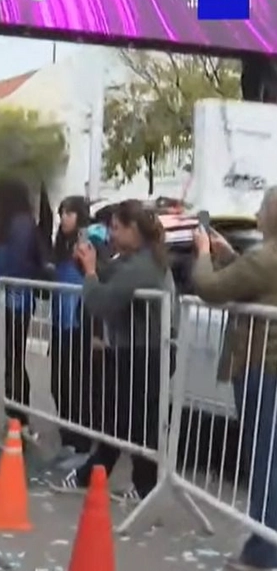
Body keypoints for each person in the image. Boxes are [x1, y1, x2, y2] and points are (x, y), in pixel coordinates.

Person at [50, 200, 171, 502]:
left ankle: (137, 485)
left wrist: (90, 272)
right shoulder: (133, 260)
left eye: (117, 228)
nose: (112, 235)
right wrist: (88, 262)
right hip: (133, 349)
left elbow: (103, 300)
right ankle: (100, 476)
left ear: (134, 230)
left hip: (144, 351)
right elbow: (109, 272)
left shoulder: (143, 266)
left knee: (135, 422)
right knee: (120, 421)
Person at [190, 187, 277, 571]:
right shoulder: (261, 260)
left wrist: (204, 255)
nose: (256, 214)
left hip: (261, 366)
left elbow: (209, 288)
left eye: (261, 208)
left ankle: (262, 551)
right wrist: (230, 257)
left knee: (264, 462)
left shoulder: (268, 257)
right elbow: (252, 279)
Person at [0, 179, 45, 436]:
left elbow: (13, 262)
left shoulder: (19, 225)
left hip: (15, 300)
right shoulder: (8, 223)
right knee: (6, 356)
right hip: (5, 297)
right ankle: (16, 412)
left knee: (11, 357)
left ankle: (20, 415)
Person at [48, 196, 98, 466]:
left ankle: (81, 443)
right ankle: (67, 438)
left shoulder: (88, 242)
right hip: (59, 320)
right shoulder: (61, 244)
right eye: (61, 212)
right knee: (58, 382)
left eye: (68, 212)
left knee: (77, 384)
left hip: (78, 321)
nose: (64, 218)